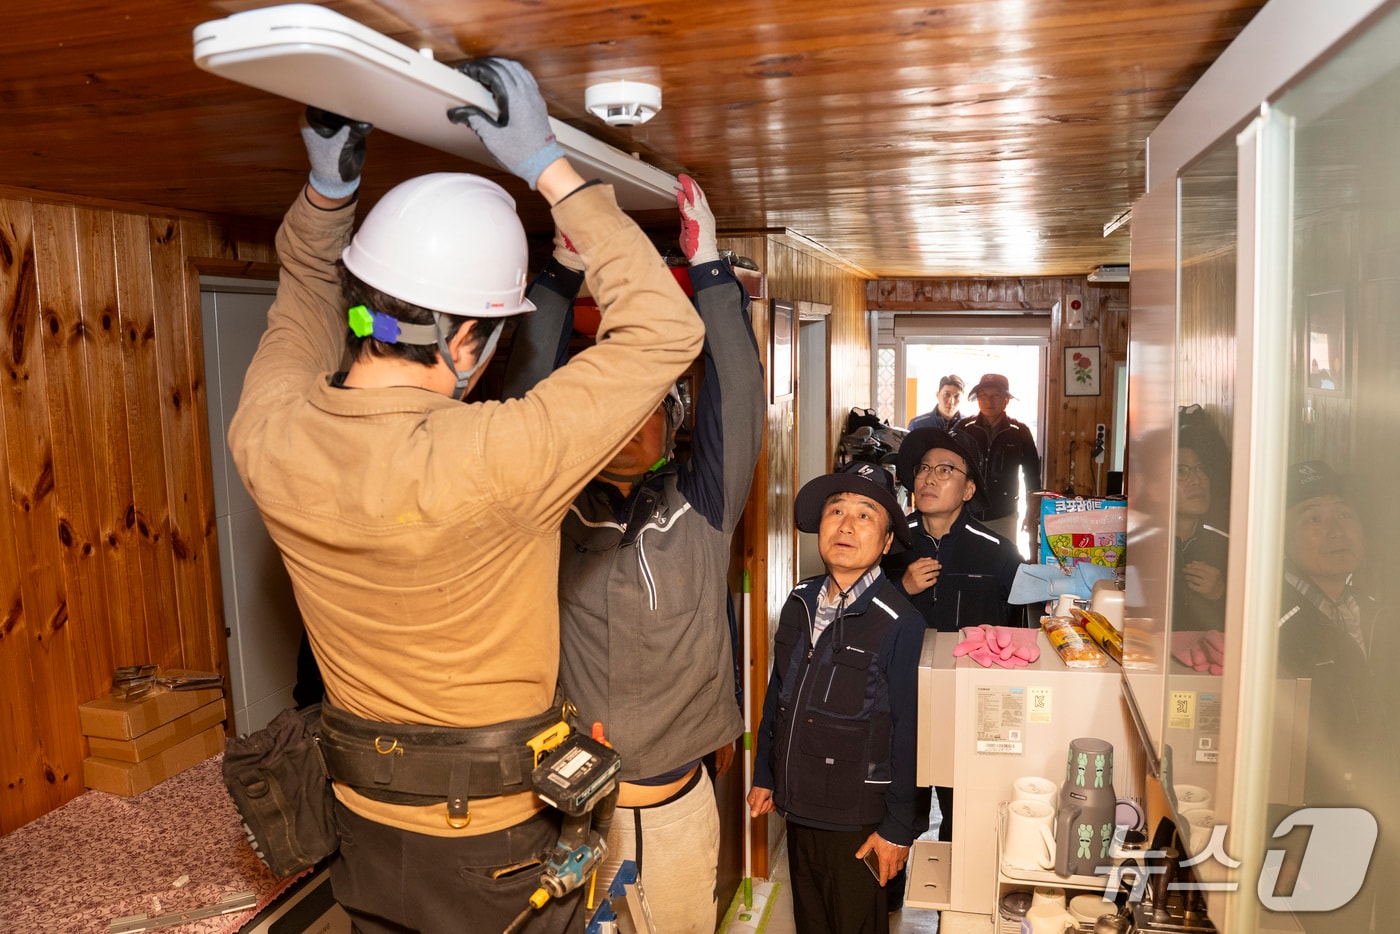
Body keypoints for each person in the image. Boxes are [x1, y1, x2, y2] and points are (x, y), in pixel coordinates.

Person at [227, 58, 705, 934]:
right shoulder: (496, 457)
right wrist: (548, 165)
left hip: (363, 827)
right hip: (495, 850)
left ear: (367, 304)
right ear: (472, 344)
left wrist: (328, 193)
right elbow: (667, 330)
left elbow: (304, 291)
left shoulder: (267, 432)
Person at [501, 174, 763, 933]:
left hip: (679, 809)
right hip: (571, 809)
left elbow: (738, 397)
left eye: (649, 407)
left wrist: (710, 269)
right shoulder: (548, 508)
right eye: (612, 405)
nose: (630, 423)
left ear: (672, 416)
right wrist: (559, 273)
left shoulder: (701, 507)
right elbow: (525, 398)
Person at [749, 462, 924, 932]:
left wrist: (896, 828)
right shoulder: (800, 600)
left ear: (887, 542)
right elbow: (778, 695)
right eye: (836, 510)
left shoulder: (899, 621)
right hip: (798, 805)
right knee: (811, 923)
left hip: (858, 822)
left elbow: (907, 731)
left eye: (866, 515)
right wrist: (765, 772)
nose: (847, 525)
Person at [883, 426, 1025, 866]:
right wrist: (901, 588)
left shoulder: (999, 553)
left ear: (968, 489)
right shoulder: (888, 543)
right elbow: (859, 618)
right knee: (895, 810)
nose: (929, 477)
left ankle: (955, 902)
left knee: (962, 811)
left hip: (967, 706)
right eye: (923, 468)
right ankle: (883, 902)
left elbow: (1021, 638)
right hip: (897, 700)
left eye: (945, 470)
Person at [1276, 460, 1398, 933]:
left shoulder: (1379, 613)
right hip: (1315, 832)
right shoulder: (1271, 621)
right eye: (1313, 517)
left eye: (1344, 514)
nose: (1335, 530)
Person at [955, 373, 1042, 557]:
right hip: (967, 513)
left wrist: (1032, 512)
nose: (989, 401)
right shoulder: (964, 428)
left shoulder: (1020, 432)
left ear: (1007, 399)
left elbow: (1032, 476)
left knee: (1003, 564)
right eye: (983, 395)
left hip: (1005, 515)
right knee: (965, 562)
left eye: (995, 395)